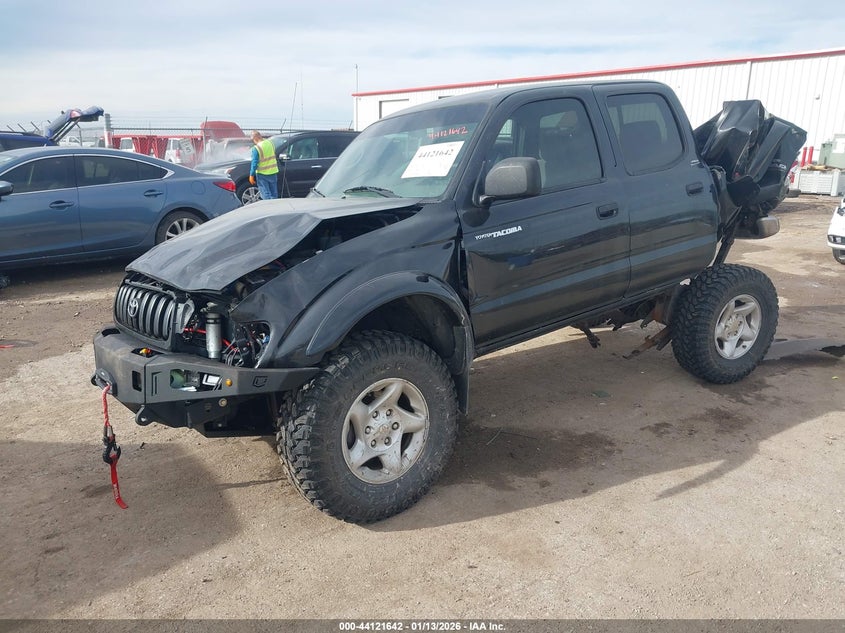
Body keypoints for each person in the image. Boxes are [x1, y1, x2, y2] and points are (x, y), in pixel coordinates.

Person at [249, 130, 280, 200]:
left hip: (262, 174)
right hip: (273, 172)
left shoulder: (256, 148)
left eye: (253, 140)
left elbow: (254, 163)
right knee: (274, 193)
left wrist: (251, 175)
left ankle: (268, 208)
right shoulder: (270, 143)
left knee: (265, 193)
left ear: (255, 139)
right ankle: (275, 208)